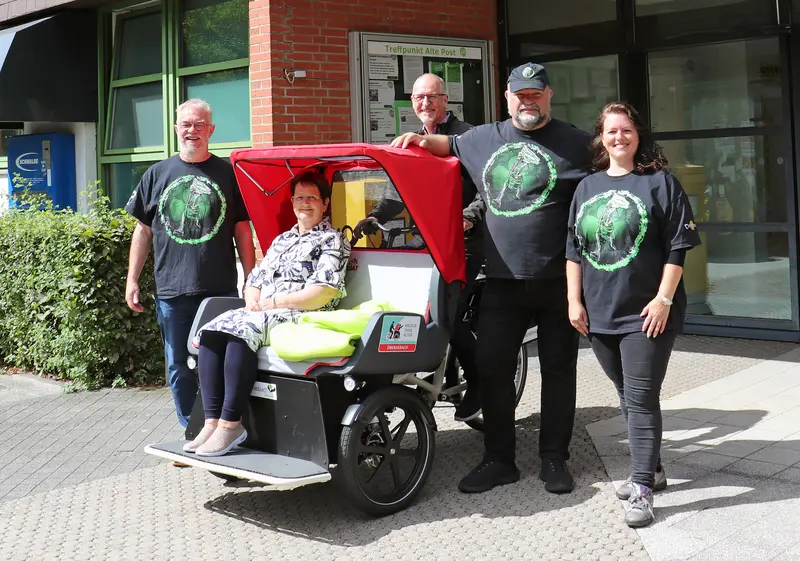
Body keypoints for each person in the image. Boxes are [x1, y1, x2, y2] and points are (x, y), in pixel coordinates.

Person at [392, 63, 592, 494]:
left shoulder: (576, 143)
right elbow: (446, 144)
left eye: (535, 94)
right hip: (501, 281)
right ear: (507, 98)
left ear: (548, 95)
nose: (528, 102)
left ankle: (554, 459)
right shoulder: (485, 138)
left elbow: (615, 170)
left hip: (558, 279)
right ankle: (500, 459)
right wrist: (418, 141)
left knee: (559, 371)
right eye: (520, 95)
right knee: (492, 366)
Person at [565, 102, 701, 527]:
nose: (618, 137)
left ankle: (641, 485)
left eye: (625, 130)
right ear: (600, 139)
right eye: (610, 131)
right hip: (599, 313)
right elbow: (574, 251)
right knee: (625, 393)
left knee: (640, 399)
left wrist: (663, 299)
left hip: (647, 313)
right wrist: (574, 301)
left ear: (638, 135)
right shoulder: (586, 187)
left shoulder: (661, 183)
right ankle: (654, 468)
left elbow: (678, 247)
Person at [183, 170, 350, 457]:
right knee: (211, 331)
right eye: (299, 197)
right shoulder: (281, 240)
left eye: (311, 197)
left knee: (241, 332)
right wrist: (253, 300)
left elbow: (323, 292)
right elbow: (256, 278)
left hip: (305, 311)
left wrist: (273, 302)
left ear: (325, 203)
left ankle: (231, 424)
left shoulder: (333, 240)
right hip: (266, 309)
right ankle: (211, 423)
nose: (304, 203)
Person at [359, 73, 485, 422]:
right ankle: (427, 367)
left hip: (466, 241)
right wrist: (373, 217)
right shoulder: (410, 141)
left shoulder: (467, 136)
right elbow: (396, 191)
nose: (425, 104)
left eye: (432, 97)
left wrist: (469, 217)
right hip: (427, 241)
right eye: (418, 98)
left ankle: (479, 383)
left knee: (449, 312)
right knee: (414, 306)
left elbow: (487, 188)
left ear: (446, 100)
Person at [125, 99, 256, 432]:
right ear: (176, 129)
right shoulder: (157, 174)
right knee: (179, 366)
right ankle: (192, 430)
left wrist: (251, 277)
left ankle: (224, 428)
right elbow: (143, 230)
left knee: (223, 364)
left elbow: (242, 228)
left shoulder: (229, 173)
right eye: (186, 124)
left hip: (220, 289)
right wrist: (132, 280)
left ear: (211, 130)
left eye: (199, 125)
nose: (192, 131)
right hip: (172, 290)